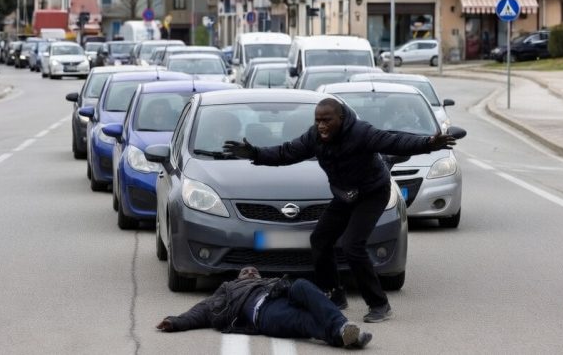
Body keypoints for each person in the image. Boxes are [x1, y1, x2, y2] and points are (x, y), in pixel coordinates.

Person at [223, 98, 456, 323]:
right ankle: (334, 293)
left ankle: (379, 304)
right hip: (345, 195)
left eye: (327, 120)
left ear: (342, 119)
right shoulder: (314, 136)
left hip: (372, 193)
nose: (322, 125)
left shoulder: (361, 133)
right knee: (320, 239)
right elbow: (286, 152)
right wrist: (255, 153)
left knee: (353, 245)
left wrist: (428, 144)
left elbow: (394, 142)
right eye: (318, 120)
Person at [155, 266, 372, 349]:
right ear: (238, 277)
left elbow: (292, 287)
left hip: (283, 294)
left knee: (303, 286)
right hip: (265, 312)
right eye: (245, 271)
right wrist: (175, 322)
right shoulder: (228, 290)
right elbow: (199, 312)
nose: (250, 272)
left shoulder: (270, 280)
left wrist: (282, 285)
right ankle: (345, 334)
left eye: (253, 271)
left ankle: (342, 328)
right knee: (303, 320)